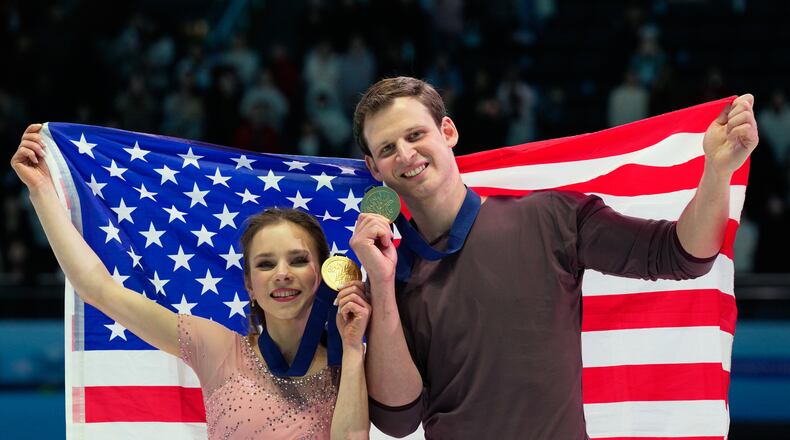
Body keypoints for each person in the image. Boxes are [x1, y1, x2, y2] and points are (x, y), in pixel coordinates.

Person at [348, 77, 758, 439]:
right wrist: (382, 287)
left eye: (415, 134)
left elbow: (682, 255)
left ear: (448, 131)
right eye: (387, 147)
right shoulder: (391, 273)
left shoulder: (551, 218)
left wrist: (717, 172)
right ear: (373, 167)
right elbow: (398, 421)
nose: (405, 153)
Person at [11, 124, 372, 440]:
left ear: (322, 272)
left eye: (298, 260)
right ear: (249, 284)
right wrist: (41, 190)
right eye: (265, 264)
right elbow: (98, 288)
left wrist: (353, 350)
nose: (282, 273)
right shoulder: (216, 348)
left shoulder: (347, 360)